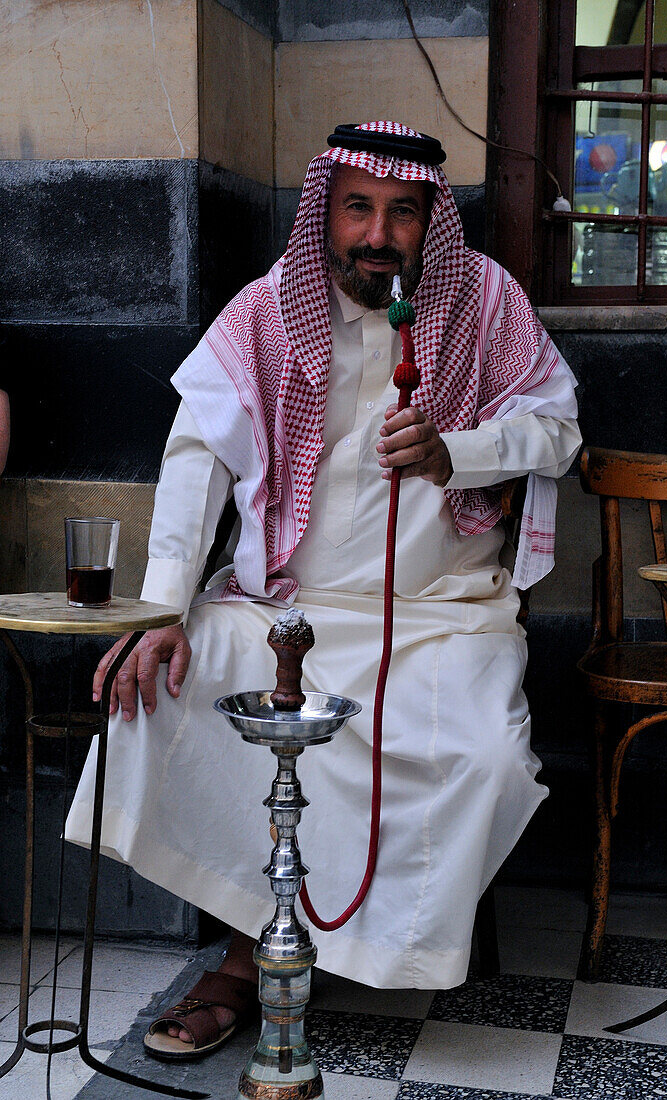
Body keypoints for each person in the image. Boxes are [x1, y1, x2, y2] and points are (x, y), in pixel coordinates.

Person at [67, 121, 581, 1060]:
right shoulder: (269, 309)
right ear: (326, 215)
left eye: (401, 212)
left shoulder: (487, 303)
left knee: (489, 760)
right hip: (284, 608)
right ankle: (244, 957)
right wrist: (163, 614)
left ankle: (363, 952)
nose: (377, 234)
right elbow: (197, 459)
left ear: (430, 223)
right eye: (357, 208)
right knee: (168, 690)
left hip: (444, 618)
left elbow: (557, 430)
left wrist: (458, 454)